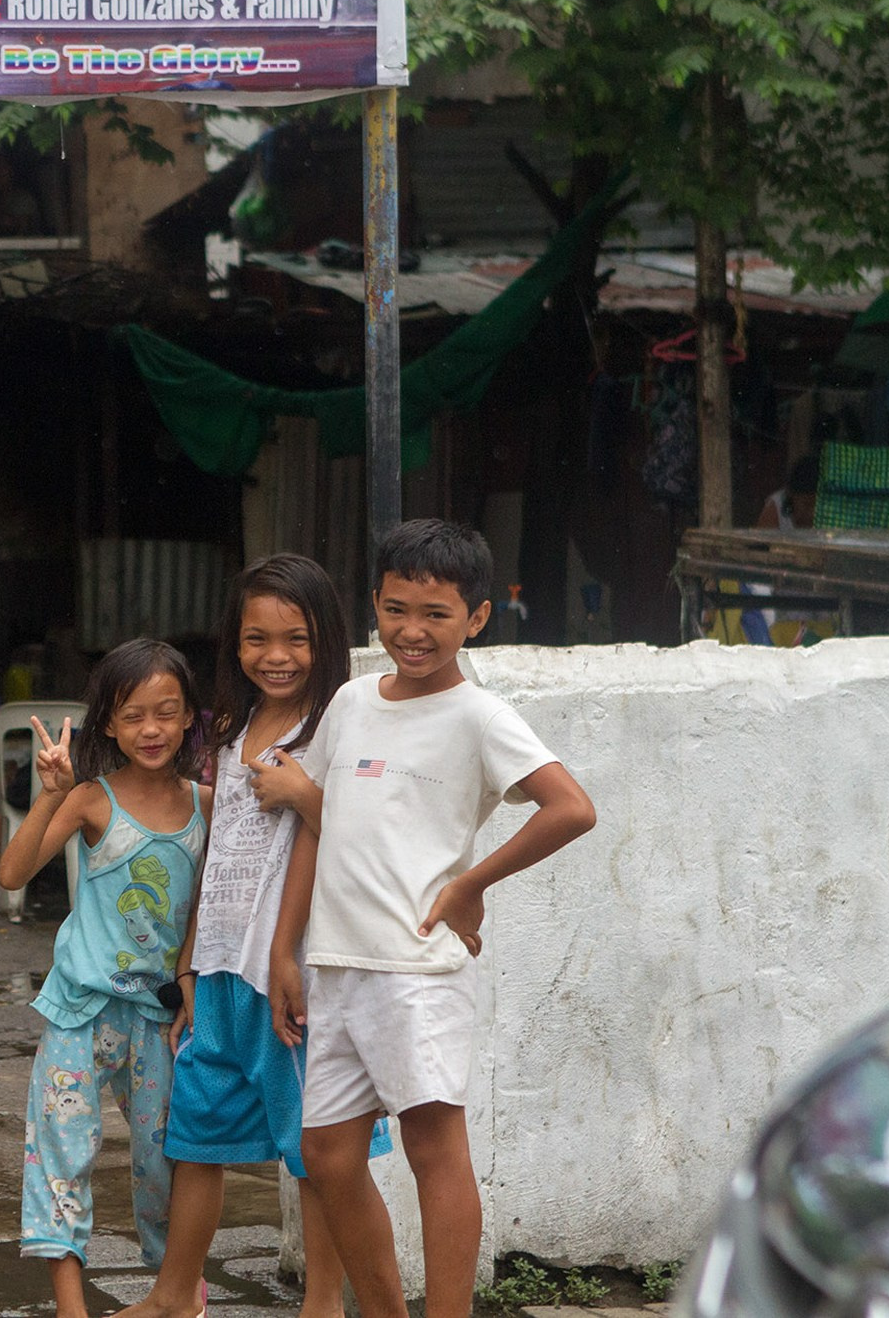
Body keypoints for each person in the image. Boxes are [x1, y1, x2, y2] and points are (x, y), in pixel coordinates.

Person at [276, 520, 596, 1318]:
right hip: (338, 964)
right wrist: (288, 949)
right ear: (374, 605)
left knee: (431, 1147)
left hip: (417, 970)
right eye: (395, 609)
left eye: (436, 614)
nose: (411, 631)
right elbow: (322, 822)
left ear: (476, 619)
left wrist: (471, 883)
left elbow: (571, 808)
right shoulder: (351, 701)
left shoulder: (478, 716)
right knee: (326, 1153)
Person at [112, 555, 388, 1318]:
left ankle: (325, 1302)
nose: (276, 655)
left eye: (295, 638)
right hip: (223, 970)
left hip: (294, 975)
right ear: (233, 642)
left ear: (324, 638)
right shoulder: (229, 731)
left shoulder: (337, 727)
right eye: (256, 637)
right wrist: (190, 963)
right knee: (195, 1134)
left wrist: (306, 791)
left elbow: (373, 841)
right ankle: (174, 1293)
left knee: (317, 1150)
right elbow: (220, 849)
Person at [0, 640, 210, 1318]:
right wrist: (49, 795)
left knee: (166, 1161)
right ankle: (72, 1306)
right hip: (81, 1009)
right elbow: (12, 873)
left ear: (188, 720)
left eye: (166, 713)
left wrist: (192, 982)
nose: (151, 728)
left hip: (161, 1015)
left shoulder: (208, 805)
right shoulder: (92, 799)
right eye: (133, 714)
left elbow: (207, 910)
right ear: (108, 726)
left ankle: (178, 1292)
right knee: (62, 1153)